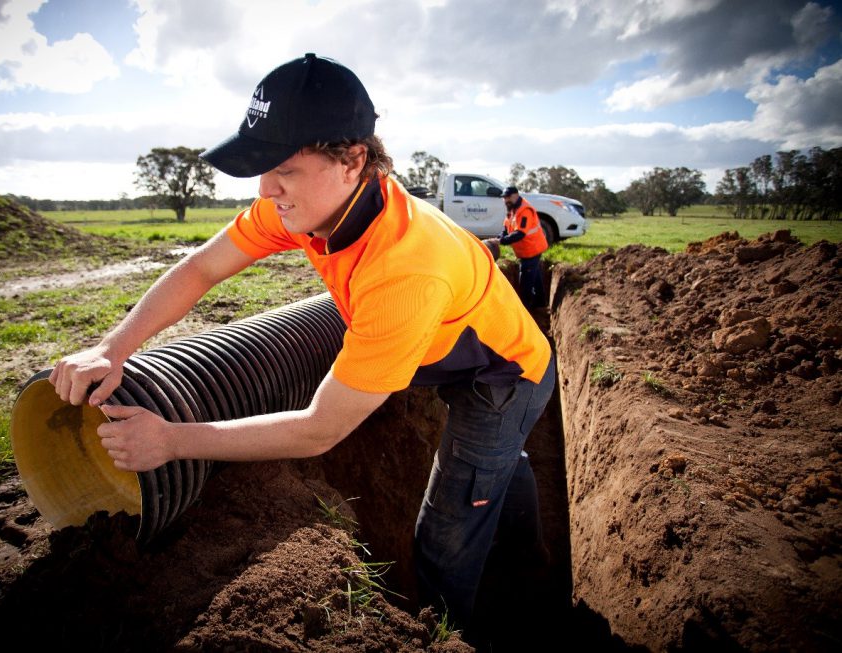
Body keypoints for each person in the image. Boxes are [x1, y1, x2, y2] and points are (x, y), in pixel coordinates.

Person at [49, 53, 554, 640]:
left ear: (352, 160)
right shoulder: (308, 206)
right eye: (263, 168)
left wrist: (170, 440)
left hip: (502, 377)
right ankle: (530, 562)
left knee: (444, 535)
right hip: (452, 353)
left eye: (285, 168)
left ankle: (449, 636)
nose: (266, 189)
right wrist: (114, 347)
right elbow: (201, 268)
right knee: (496, 468)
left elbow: (319, 431)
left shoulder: (405, 270)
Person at [499, 186, 549, 309]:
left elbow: (520, 233)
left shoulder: (525, 211)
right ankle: (541, 303)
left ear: (516, 195)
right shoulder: (511, 210)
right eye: (504, 198)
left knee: (526, 281)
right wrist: (501, 236)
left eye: (508, 197)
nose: (506, 200)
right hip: (526, 250)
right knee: (535, 276)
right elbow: (506, 227)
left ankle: (524, 308)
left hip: (532, 250)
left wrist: (504, 240)